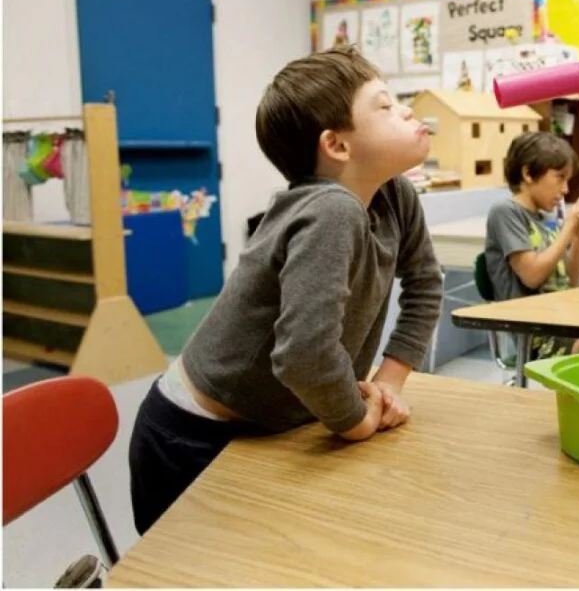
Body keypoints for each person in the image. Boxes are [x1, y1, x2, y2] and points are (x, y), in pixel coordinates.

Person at [128, 45, 443, 535]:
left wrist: (387, 384)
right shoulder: (330, 211)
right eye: (384, 105)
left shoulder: (396, 194)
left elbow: (424, 285)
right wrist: (357, 419)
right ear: (337, 145)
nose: (406, 110)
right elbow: (304, 355)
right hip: (194, 438)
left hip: (280, 423)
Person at [484, 131, 579, 358]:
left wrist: (577, 235)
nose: (566, 189)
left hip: (560, 320)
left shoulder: (545, 219)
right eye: (560, 177)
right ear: (528, 173)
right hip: (534, 333)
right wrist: (568, 228)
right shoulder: (505, 212)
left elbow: (571, 281)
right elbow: (532, 275)